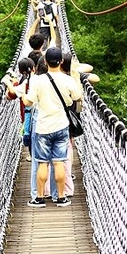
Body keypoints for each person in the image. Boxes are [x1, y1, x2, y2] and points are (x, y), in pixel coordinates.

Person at [23, 46, 82, 208]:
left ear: (45, 62)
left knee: (43, 163)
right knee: (59, 163)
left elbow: (29, 102)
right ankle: (61, 198)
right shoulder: (67, 80)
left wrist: (22, 94)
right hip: (62, 126)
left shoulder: (37, 81)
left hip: (43, 127)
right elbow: (77, 96)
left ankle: (39, 198)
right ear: (61, 61)